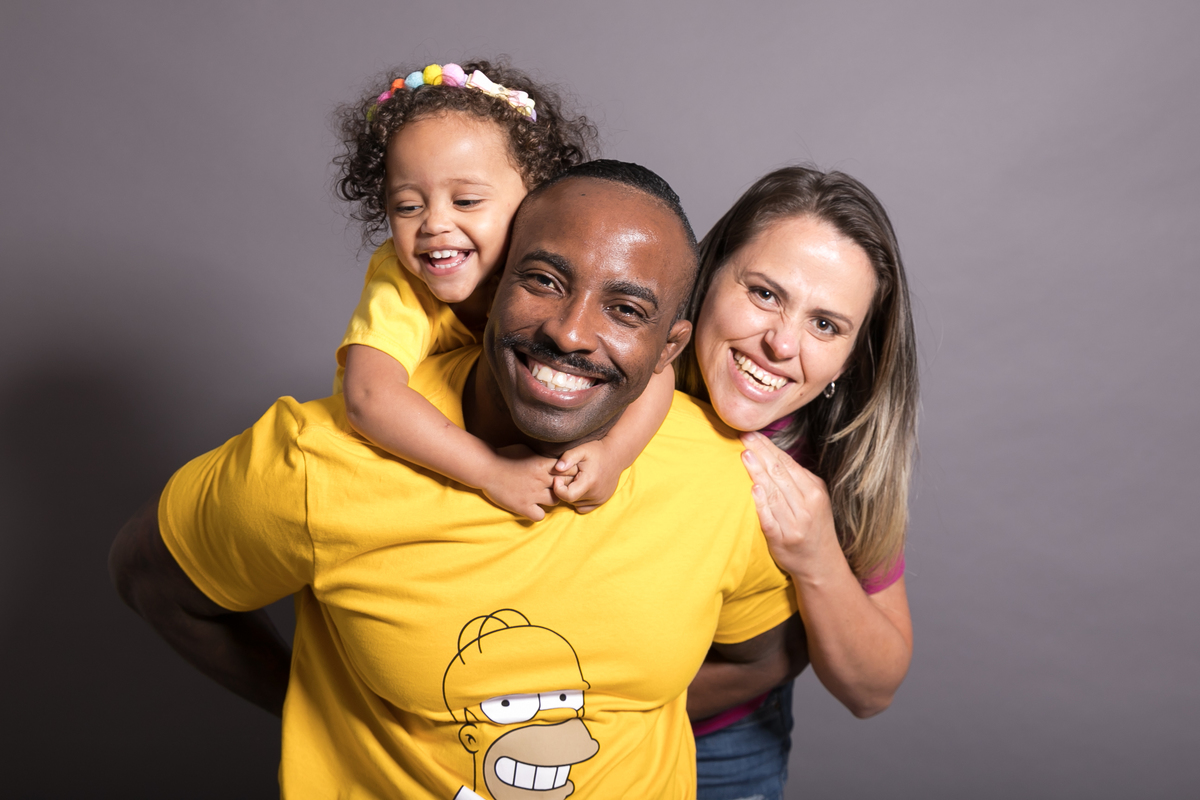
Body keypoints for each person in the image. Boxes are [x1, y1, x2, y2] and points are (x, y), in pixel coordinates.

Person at [110, 160, 805, 799]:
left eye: (626, 310)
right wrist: (313, 707)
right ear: (493, 287)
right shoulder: (320, 462)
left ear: (668, 349)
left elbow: (765, 658)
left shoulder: (719, 476)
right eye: (544, 280)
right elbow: (152, 581)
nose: (570, 333)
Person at [333, 60, 675, 519]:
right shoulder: (401, 279)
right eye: (408, 206)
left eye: (466, 201)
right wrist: (490, 471)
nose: (434, 223)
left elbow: (655, 368)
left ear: (534, 199)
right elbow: (368, 397)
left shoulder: (556, 264)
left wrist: (614, 455)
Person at [678, 166, 918, 800]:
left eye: (826, 325)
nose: (782, 344)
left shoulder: (841, 458)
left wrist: (816, 556)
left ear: (852, 357)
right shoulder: (603, 367)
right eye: (764, 293)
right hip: (530, 726)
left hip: (721, 751)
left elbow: (872, 690)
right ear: (708, 273)